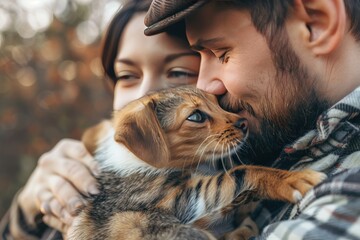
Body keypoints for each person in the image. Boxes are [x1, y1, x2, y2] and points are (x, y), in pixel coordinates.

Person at [144, 0, 360, 239]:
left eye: (221, 54)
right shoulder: (284, 144)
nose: (204, 86)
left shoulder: (349, 196)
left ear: (316, 23)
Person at [0, 0, 200, 239]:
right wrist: (26, 212)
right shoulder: (88, 173)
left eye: (179, 72)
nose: (142, 96)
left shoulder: (246, 204)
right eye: (127, 76)